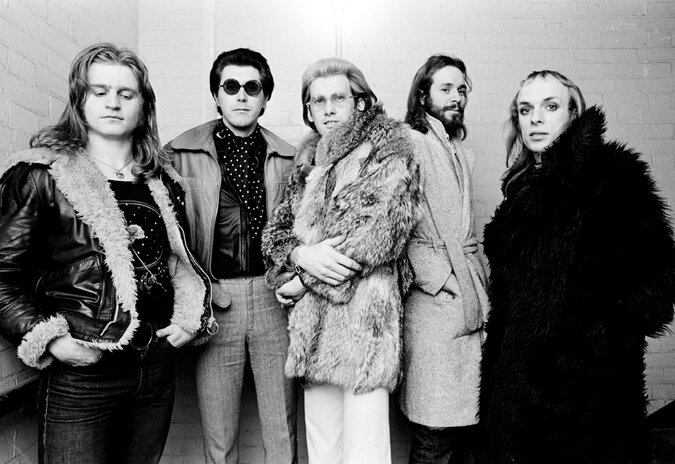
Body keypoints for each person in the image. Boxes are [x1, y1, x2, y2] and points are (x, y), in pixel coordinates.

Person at [0, 43, 211, 464]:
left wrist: (189, 318)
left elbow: (176, 261)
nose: (113, 103)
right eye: (100, 92)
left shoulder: (162, 181)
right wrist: (51, 340)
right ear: (80, 100)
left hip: (154, 364)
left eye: (125, 94)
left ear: (143, 105)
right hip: (83, 370)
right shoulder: (41, 175)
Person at [478, 70, 675, 464]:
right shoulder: (521, 190)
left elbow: (655, 287)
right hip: (515, 404)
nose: (535, 119)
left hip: (585, 409)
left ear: (573, 113)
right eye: (525, 110)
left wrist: (578, 354)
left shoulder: (613, 177)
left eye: (550, 107)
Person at [261, 57, 420, 464]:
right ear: (309, 109)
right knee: (323, 449)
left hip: (364, 326)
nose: (329, 109)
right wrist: (298, 256)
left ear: (359, 102)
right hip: (312, 332)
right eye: (318, 101)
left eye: (338, 98)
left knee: (366, 452)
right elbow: (277, 233)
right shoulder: (307, 159)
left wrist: (302, 280)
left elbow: (375, 236)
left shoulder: (387, 146)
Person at [166, 48, 297, 464]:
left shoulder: (290, 157)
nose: (241, 95)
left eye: (252, 87)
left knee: (281, 429)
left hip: (274, 297)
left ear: (265, 98)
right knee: (218, 434)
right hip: (215, 299)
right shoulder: (178, 153)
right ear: (217, 95)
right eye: (231, 86)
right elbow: (165, 233)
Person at [398, 54, 489, 464]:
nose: (457, 97)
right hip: (436, 305)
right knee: (435, 433)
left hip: (466, 293)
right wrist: (443, 280)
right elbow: (398, 227)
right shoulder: (411, 143)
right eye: (446, 88)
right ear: (423, 95)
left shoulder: (453, 147)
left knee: (466, 432)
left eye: (462, 89)